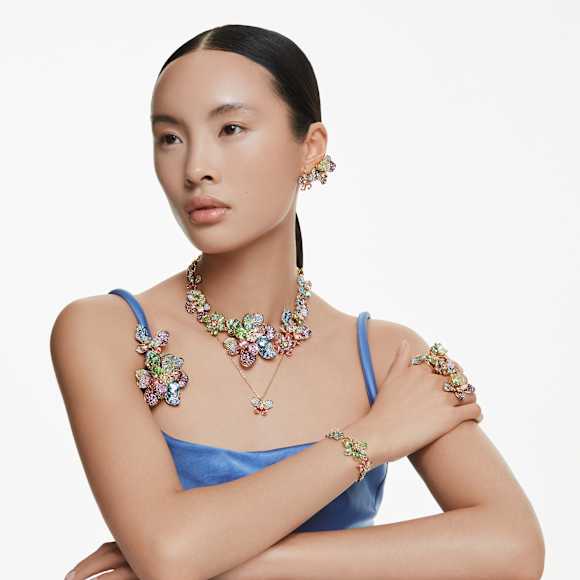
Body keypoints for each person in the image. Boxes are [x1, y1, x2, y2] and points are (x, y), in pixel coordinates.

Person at [51, 24, 544, 580]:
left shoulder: (387, 354)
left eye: (230, 128)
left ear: (310, 148)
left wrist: (219, 563)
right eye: (170, 138)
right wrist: (370, 438)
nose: (195, 168)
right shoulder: (104, 331)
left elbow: (515, 548)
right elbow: (169, 555)